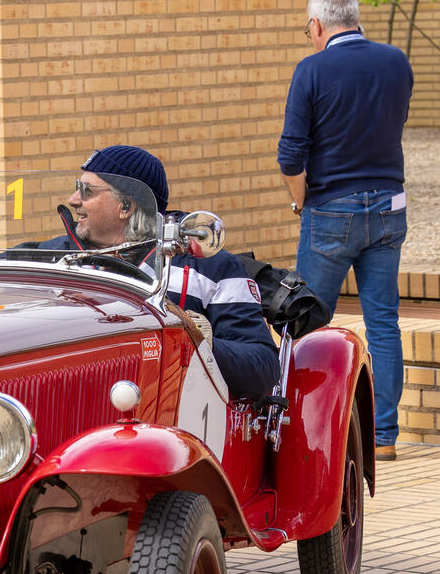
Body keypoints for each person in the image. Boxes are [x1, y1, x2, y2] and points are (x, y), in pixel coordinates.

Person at [277, 0, 413, 461]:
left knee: (306, 322)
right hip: (389, 209)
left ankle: (308, 430)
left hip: (331, 210)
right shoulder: (397, 62)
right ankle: (384, 435)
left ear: (317, 25)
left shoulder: (311, 70)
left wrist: (302, 202)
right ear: (355, 16)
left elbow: (291, 156)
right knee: (384, 323)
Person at [29, 145, 280, 402]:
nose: (73, 199)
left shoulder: (210, 268)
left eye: (86, 191)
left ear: (125, 206)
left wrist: (202, 342)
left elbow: (262, 369)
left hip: (171, 422)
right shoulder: (52, 255)